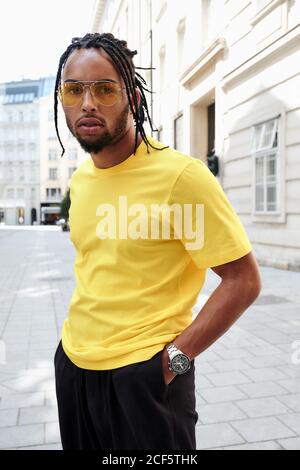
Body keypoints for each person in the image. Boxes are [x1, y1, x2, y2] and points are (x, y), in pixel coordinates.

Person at [53, 33, 261, 450]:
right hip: (74, 365)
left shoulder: (180, 177)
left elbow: (243, 280)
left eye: (105, 89)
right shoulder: (81, 179)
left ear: (131, 96)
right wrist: (67, 354)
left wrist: (171, 364)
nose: (88, 103)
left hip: (145, 378)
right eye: (74, 90)